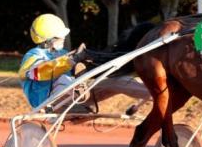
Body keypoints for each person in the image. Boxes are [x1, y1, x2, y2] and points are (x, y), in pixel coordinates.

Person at [18, 13, 151, 114]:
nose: (64, 37)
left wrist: (88, 61)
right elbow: (37, 73)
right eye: (60, 36)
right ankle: (79, 101)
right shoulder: (33, 55)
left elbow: (74, 70)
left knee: (120, 80)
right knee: (65, 79)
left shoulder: (62, 52)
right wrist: (72, 60)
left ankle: (157, 94)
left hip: (76, 95)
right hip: (50, 103)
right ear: (48, 40)